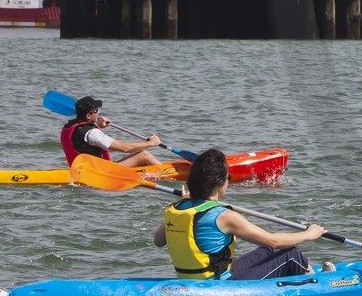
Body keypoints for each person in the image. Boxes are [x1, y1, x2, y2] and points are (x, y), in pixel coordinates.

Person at [151, 149, 328, 280]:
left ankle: (308, 275)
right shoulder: (224, 216)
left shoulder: (175, 209)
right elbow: (273, 240)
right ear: (218, 183)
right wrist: (308, 235)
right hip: (219, 284)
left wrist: (186, 201)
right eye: (228, 179)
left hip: (194, 279)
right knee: (290, 254)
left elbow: (158, 241)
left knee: (268, 251)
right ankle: (320, 283)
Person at [60, 95, 163, 169]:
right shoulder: (93, 133)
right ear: (88, 116)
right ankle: (168, 173)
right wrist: (150, 143)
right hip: (98, 173)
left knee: (126, 159)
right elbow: (125, 148)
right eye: (96, 110)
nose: (99, 112)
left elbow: (83, 138)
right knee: (144, 155)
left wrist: (97, 124)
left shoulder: (69, 127)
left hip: (80, 170)